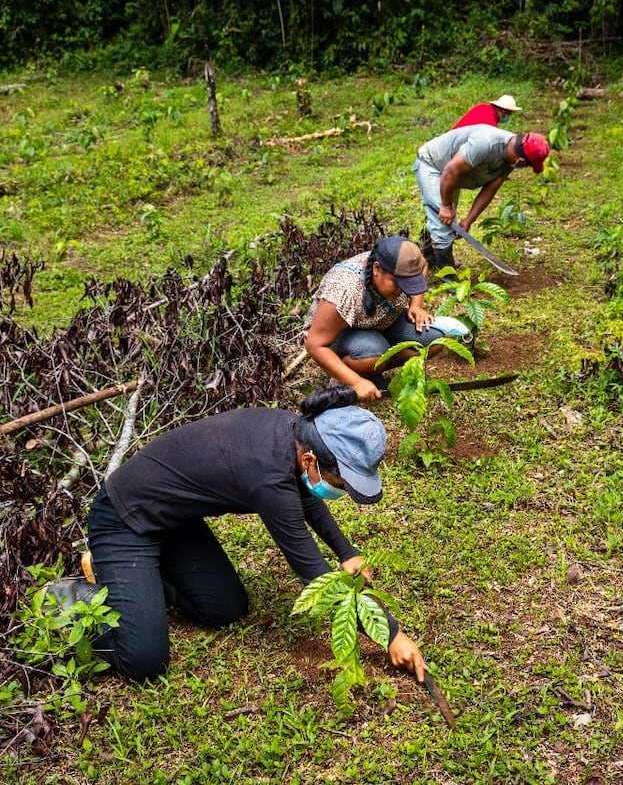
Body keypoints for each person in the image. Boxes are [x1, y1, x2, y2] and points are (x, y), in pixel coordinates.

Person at [52, 387, 428, 683]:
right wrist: (390, 634)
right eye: (339, 482)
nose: (340, 491)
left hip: (175, 524)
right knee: (144, 659)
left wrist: (346, 550)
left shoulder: (295, 433)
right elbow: (314, 574)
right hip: (124, 520)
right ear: (311, 460)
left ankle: (140, 584)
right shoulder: (267, 475)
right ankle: (70, 597)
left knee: (225, 610)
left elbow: (305, 497)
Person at [303, 235, 446, 402]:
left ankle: (371, 369)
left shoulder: (406, 264)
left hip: (382, 320)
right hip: (342, 330)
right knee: (373, 354)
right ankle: (346, 374)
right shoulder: (343, 289)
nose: (402, 290)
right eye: (397, 283)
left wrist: (416, 304)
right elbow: (314, 344)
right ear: (377, 269)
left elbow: (422, 266)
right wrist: (356, 382)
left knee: (433, 342)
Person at [413, 124, 549, 274]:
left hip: (453, 176)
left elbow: (490, 189)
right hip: (434, 166)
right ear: (521, 161)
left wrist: (469, 220)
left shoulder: (510, 158)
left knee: (446, 221)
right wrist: (445, 206)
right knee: (444, 223)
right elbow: (450, 170)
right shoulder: (486, 143)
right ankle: (448, 277)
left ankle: (431, 257)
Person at [452, 94, 521, 129]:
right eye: (508, 114)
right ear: (502, 110)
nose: (507, 117)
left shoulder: (482, 107)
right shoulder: (490, 123)